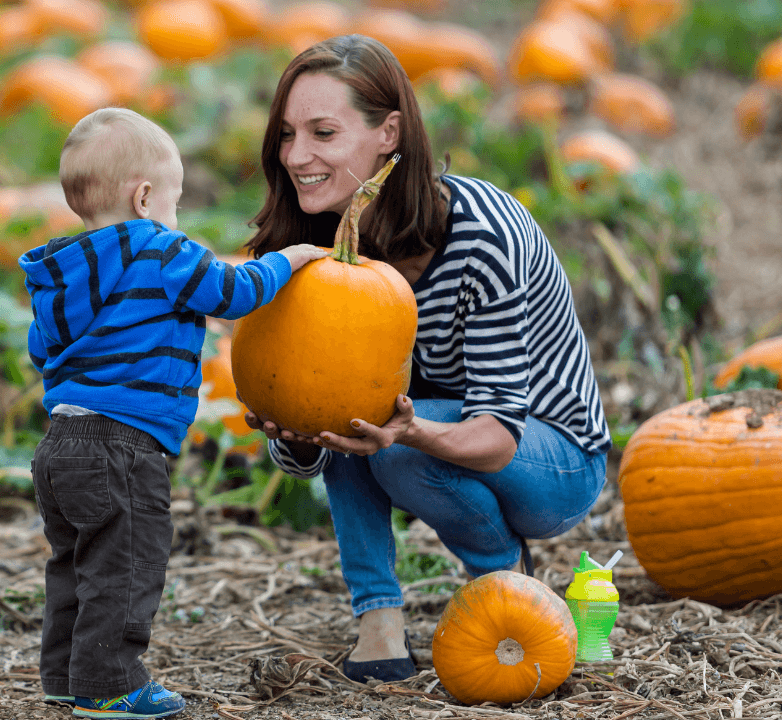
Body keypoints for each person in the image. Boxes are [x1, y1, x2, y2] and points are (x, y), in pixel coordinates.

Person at [241, 35, 612, 684]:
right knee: (360, 421)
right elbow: (310, 439)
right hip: (420, 432)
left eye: (323, 133)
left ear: (389, 133)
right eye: (286, 135)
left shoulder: (482, 234)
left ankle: (501, 573)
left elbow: (497, 436)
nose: (297, 156)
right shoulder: (310, 245)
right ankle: (378, 621)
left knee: (387, 437)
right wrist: (295, 436)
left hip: (549, 457)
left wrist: (406, 431)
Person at [20, 107, 326, 718]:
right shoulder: (158, 249)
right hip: (124, 443)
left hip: (61, 443)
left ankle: (64, 675)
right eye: (174, 203)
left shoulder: (63, 271)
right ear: (144, 197)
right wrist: (288, 261)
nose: (176, 217)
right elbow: (230, 293)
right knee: (126, 565)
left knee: (75, 565)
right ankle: (108, 685)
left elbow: (39, 349)